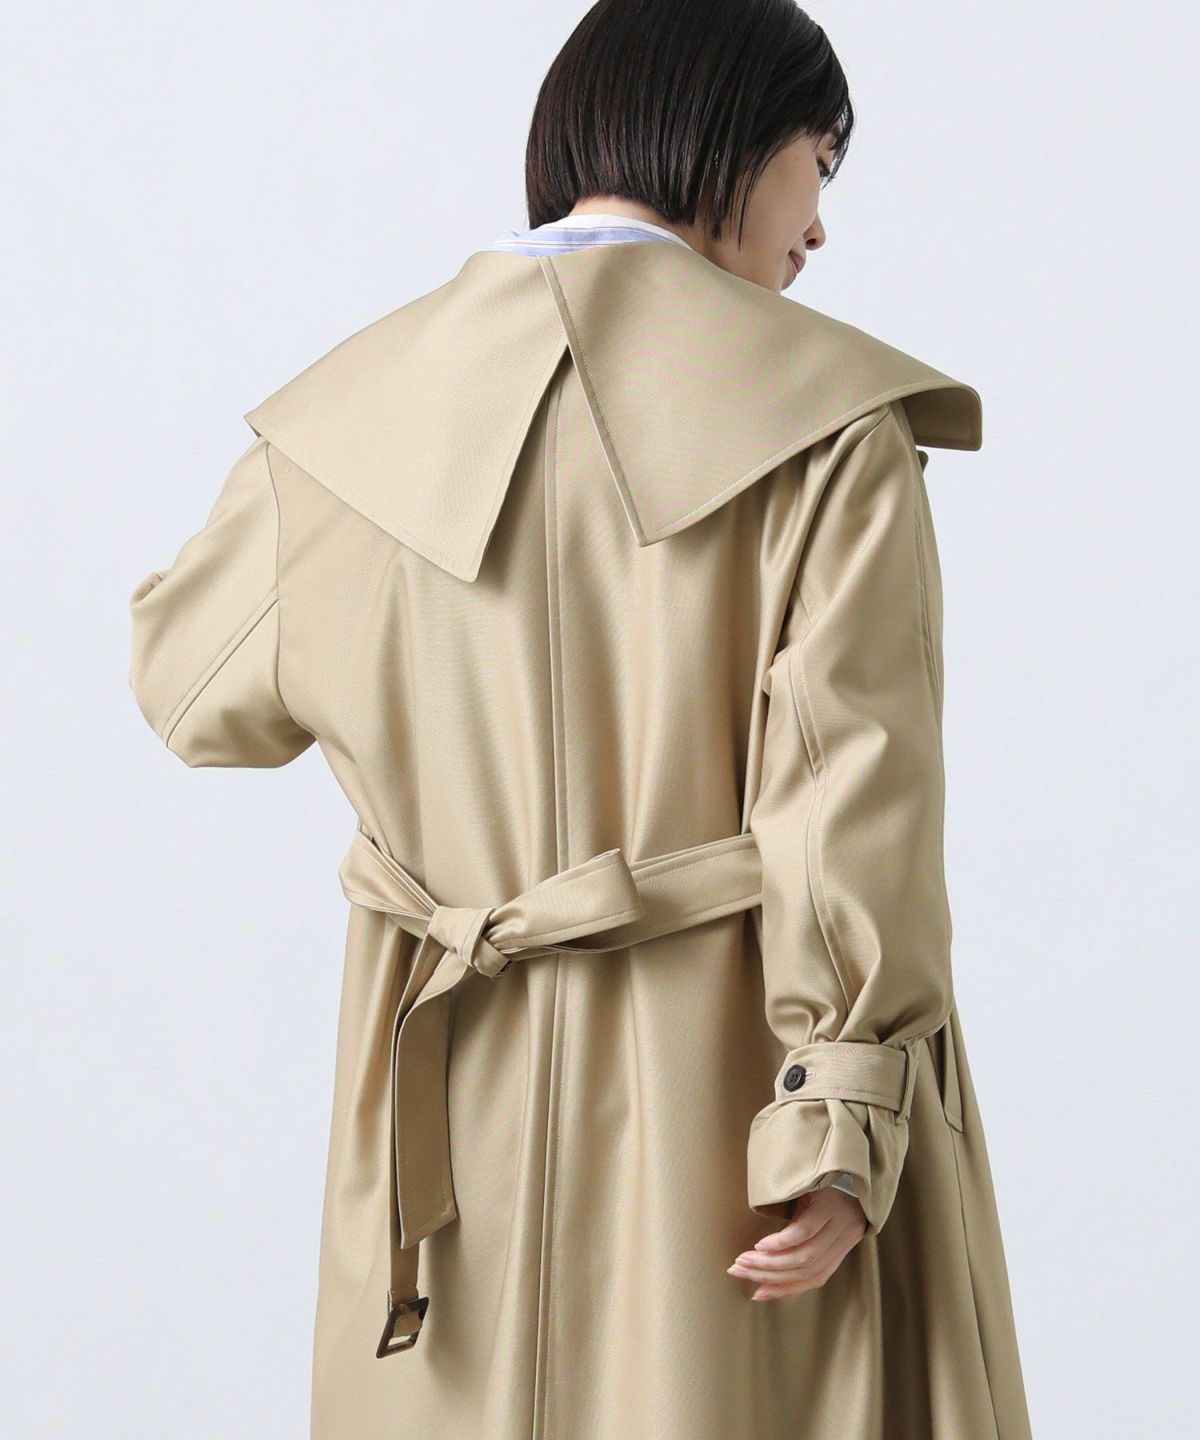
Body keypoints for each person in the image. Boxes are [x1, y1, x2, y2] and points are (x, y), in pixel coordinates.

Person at [127, 2, 1033, 1437]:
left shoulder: (346, 421)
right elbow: (846, 803)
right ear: (721, 131)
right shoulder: (828, 427)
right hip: (730, 1118)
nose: (818, 226)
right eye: (817, 163)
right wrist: (843, 1116)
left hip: (445, 1126)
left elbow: (190, 688)